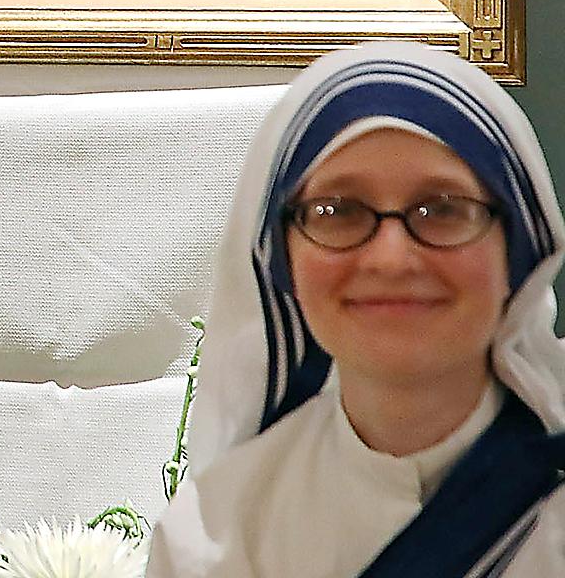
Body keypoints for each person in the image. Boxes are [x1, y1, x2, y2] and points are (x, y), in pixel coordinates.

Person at [146, 41, 565, 576]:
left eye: (442, 208)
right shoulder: (212, 541)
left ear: (518, 246)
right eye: (337, 211)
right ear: (283, 256)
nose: (391, 258)